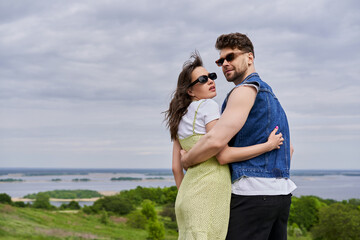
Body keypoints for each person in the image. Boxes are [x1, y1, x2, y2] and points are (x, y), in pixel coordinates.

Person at [180, 33, 296, 240]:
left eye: (230, 57)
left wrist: (187, 159)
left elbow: (216, 144)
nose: (224, 63)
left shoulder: (243, 91)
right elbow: (290, 149)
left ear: (250, 57)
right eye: (220, 60)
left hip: (252, 194)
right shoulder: (270, 96)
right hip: (281, 195)